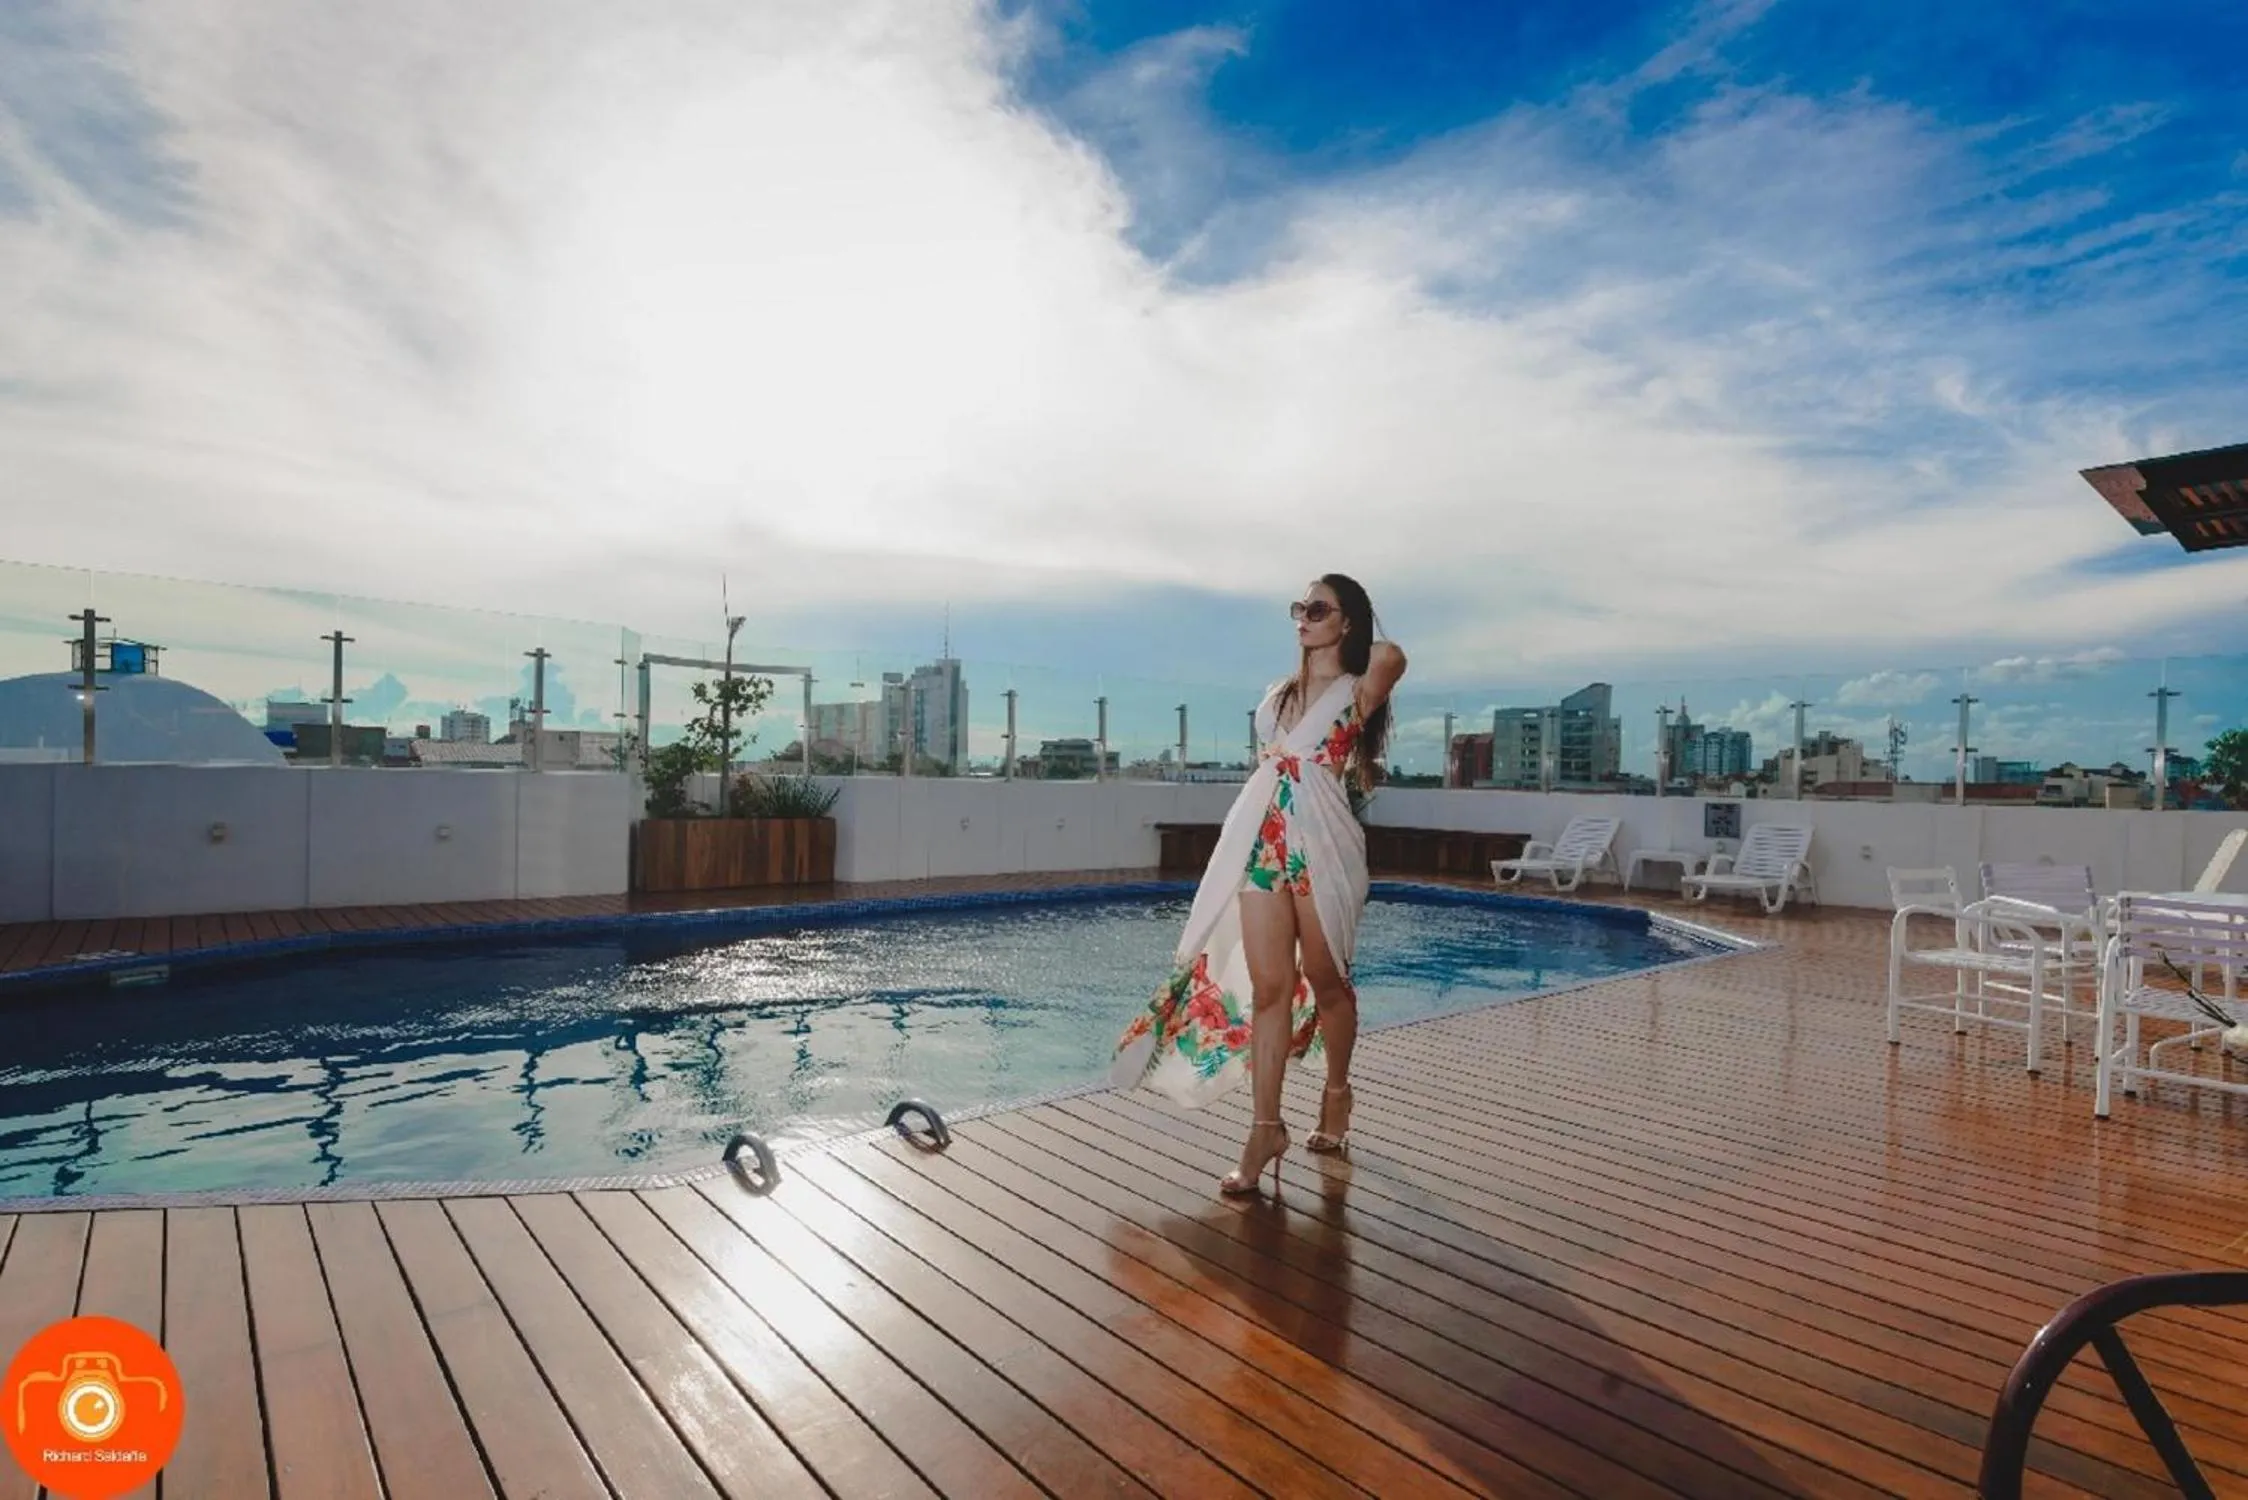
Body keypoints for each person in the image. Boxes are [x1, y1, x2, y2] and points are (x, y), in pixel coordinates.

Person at [1109, 574, 1406, 1195]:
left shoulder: (1357, 689)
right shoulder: (1276, 697)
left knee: (1327, 983)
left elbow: (1391, 654)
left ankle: (1337, 1092)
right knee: (1270, 991)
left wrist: (1355, 632)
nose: (1302, 618)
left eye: (1318, 608)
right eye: (1298, 608)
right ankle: (1264, 1128)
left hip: (1324, 845)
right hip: (1264, 846)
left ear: (1347, 621)